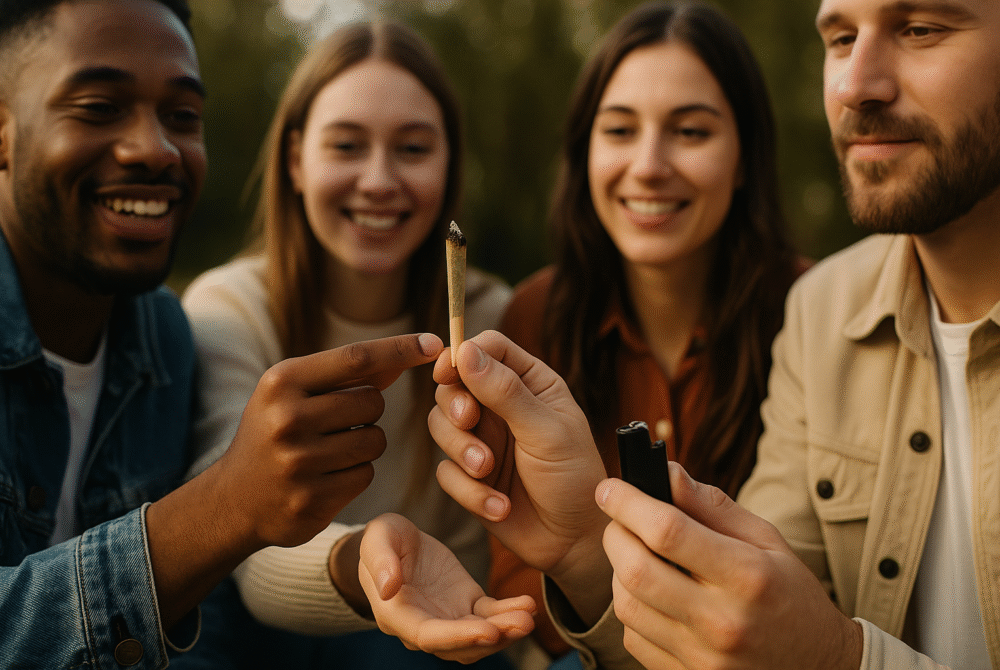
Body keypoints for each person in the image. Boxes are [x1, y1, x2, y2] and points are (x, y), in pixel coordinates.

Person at [363, 0, 1000, 668]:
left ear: (745, 156)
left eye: (921, 29)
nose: (648, 165)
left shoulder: (796, 305)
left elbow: (783, 631)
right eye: (839, 39)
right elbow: (739, 630)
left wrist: (838, 655)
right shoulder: (824, 312)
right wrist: (579, 550)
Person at [0, 1, 443, 666]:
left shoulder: (163, 340)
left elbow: (208, 630)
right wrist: (225, 508)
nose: (155, 148)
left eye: (183, 116)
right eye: (98, 108)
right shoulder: (225, 314)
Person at [180, 20, 513, 668]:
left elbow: (492, 553)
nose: (380, 180)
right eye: (347, 145)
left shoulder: (493, 322)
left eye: (412, 148)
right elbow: (230, 538)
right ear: (296, 161)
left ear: (449, 164)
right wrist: (362, 562)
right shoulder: (230, 311)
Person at [488, 1, 800, 659]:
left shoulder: (812, 312)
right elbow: (521, 593)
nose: (650, 165)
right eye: (620, 130)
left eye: (690, 131)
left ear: (745, 157)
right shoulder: (535, 318)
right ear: (585, 150)